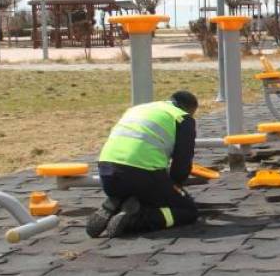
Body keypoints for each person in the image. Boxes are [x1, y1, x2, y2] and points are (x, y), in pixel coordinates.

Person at [86, 90, 200, 239]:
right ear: (189, 109)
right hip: (141, 175)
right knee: (188, 211)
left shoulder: (137, 109)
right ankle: (135, 219)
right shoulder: (182, 118)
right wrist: (176, 187)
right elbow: (182, 163)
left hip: (107, 173)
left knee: (143, 192)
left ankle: (117, 203)